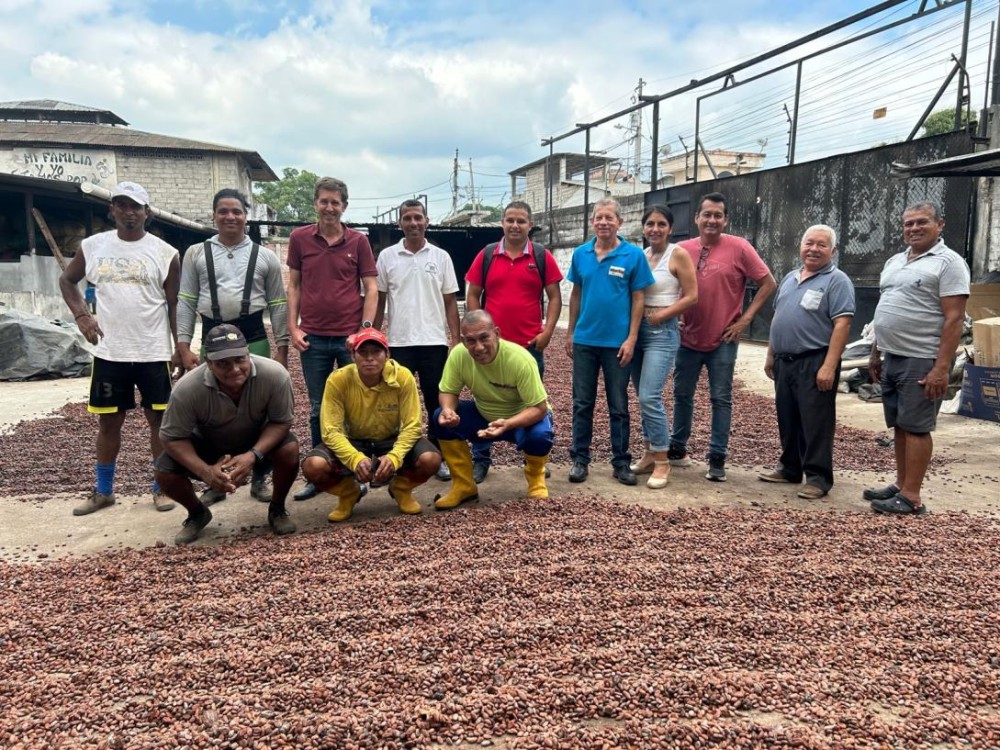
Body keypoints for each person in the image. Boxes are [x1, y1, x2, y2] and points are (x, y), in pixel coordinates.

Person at [59, 181, 180, 516]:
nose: (129, 212)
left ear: (147, 212)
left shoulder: (165, 253)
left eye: (136, 206)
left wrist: (179, 346)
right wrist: (82, 315)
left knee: (160, 422)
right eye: (122, 205)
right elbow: (67, 281)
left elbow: (173, 305)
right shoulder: (94, 246)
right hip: (109, 352)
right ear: (111, 209)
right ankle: (103, 490)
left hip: (152, 350)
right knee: (109, 423)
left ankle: (162, 488)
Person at [176, 188, 290, 505]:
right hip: (212, 335)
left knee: (260, 407)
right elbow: (185, 300)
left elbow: (278, 303)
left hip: (252, 334)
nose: (230, 217)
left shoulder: (265, 256)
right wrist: (183, 344)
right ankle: (216, 477)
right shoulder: (195, 254)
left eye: (236, 211)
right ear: (213, 215)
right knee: (212, 409)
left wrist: (281, 347)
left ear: (246, 216)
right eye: (223, 211)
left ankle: (259, 476)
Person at [866, 203, 970, 515]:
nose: (913, 228)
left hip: (922, 357)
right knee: (899, 423)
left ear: (940, 224)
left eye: (921, 222)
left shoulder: (949, 263)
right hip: (893, 355)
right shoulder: (896, 260)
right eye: (908, 223)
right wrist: (876, 349)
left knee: (916, 426)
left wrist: (941, 367)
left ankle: (912, 496)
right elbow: (886, 305)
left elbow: (954, 319)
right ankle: (901, 484)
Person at [155, 325, 298, 544]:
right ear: (208, 363)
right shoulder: (186, 389)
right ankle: (197, 512)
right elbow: (171, 437)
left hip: (257, 442)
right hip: (209, 446)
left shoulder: (275, 375)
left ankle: (277, 508)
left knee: (290, 450)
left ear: (248, 353)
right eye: (222, 363)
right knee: (164, 470)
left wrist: (252, 455)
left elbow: (282, 422)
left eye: (240, 359)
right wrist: (205, 472)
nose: (234, 369)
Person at [670, 192, 777, 482]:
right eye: (707, 214)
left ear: (725, 219)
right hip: (687, 339)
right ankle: (677, 447)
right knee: (682, 394)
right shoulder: (681, 249)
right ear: (697, 218)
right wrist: (671, 317)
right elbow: (665, 284)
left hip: (723, 340)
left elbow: (768, 283)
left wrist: (745, 319)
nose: (712, 220)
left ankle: (717, 457)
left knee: (721, 398)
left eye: (718, 215)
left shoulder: (740, 248)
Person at [287, 176, 378, 501]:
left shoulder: (358, 242)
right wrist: (294, 328)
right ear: (316, 203)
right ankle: (320, 471)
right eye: (324, 201)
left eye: (335, 202)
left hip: (348, 338)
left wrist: (363, 330)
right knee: (318, 406)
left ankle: (358, 468)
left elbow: (370, 288)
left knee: (356, 404)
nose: (329, 207)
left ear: (344, 206)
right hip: (313, 339)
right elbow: (294, 286)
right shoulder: (299, 239)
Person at [464, 200, 563, 483]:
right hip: (488, 350)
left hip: (529, 347)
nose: (515, 226)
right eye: (510, 220)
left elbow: (555, 297)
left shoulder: (541, 257)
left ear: (530, 225)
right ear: (502, 223)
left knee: (535, 402)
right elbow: (473, 293)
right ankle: (481, 459)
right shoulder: (486, 255)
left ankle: (536, 460)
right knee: (484, 400)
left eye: (521, 221)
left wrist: (547, 331)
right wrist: (475, 330)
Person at [301, 328, 441, 521]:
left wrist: (394, 457)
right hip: (354, 440)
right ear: (352, 355)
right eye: (363, 353)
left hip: (390, 438)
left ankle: (401, 488)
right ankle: (348, 492)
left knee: (431, 459)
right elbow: (330, 430)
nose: (370, 358)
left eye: (376, 352)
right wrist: (354, 459)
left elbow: (412, 425)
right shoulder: (338, 379)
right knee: (313, 466)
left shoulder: (403, 376)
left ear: (387, 354)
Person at [760, 225, 855, 499]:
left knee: (816, 421)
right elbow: (779, 318)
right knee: (787, 416)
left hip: (815, 360)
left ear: (832, 251)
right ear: (801, 246)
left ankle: (818, 477)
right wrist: (771, 354)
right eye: (809, 243)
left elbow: (842, 324)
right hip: (785, 361)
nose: (813, 249)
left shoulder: (837, 281)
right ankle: (790, 467)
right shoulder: (791, 278)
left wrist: (829, 365)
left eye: (821, 245)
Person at [565, 197, 654, 486]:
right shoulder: (581, 254)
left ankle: (621, 462)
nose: (603, 222)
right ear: (592, 222)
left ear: (620, 222)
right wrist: (570, 333)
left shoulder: (633, 256)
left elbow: (639, 298)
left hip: (617, 344)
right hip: (585, 341)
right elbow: (576, 294)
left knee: (618, 404)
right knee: (582, 403)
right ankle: (580, 459)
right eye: (598, 217)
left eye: (609, 218)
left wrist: (631, 338)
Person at [374, 199, 460, 483]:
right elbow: (380, 299)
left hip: (434, 342)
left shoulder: (441, 257)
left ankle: (439, 456)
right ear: (400, 223)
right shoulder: (387, 257)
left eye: (417, 217)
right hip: (399, 343)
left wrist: (455, 338)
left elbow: (450, 302)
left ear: (427, 220)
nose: (413, 223)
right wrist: (373, 337)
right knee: (397, 403)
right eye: (407, 218)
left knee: (437, 401)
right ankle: (399, 456)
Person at [433, 310, 554, 508]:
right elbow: (448, 391)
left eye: (484, 338)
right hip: (484, 415)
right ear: (463, 341)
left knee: (540, 435)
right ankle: (464, 486)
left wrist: (508, 423)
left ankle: (536, 480)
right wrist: (448, 409)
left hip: (522, 418)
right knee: (439, 419)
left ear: (496, 333)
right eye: (471, 341)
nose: (478, 347)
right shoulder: (458, 355)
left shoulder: (520, 359)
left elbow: (539, 408)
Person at [628, 205, 698, 489]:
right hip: (638, 330)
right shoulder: (643, 255)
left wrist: (662, 315)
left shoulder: (677, 254)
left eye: (661, 224)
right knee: (641, 394)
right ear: (643, 228)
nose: (654, 229)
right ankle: (648, 453)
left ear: (670, 228)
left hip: (662, 331)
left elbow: (692, 296)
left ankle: (663, 461)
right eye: (649, 224)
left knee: (649, 396)